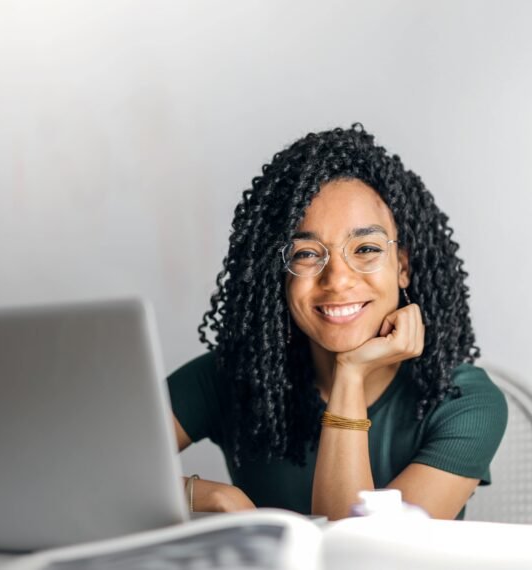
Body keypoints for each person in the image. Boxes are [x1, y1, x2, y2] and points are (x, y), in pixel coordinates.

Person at [167, 124, 507, 521]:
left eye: (365, 249)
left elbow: (361, 559)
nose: (338, 279)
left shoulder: (463, 401)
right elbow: (86, 469)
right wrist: (208, 496)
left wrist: (350, 373)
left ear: (403, 266)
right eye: (307, 254)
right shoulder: (232, 376)